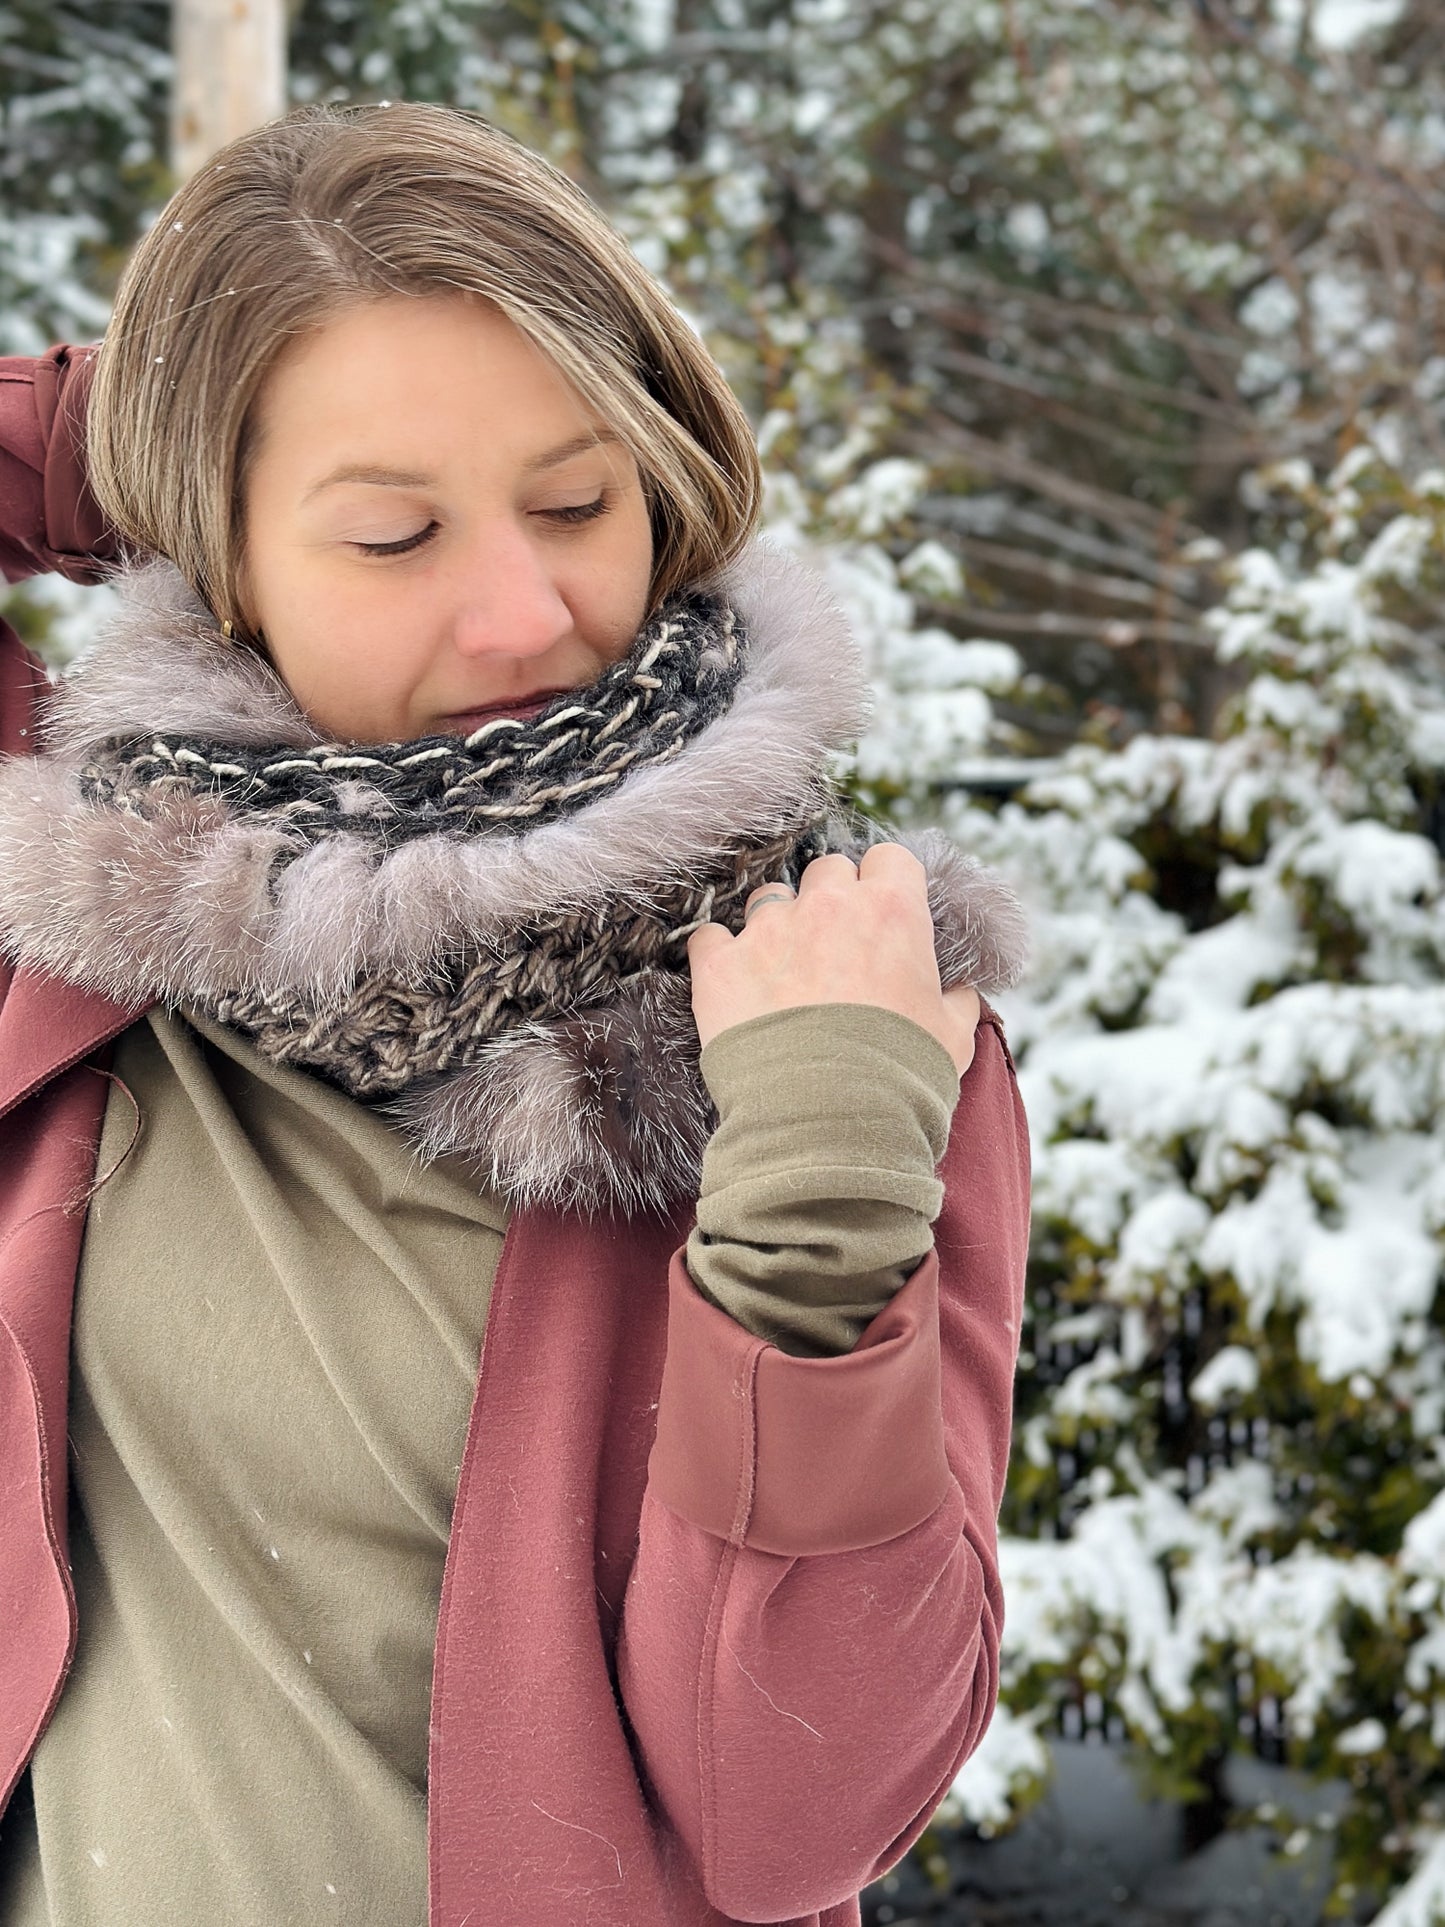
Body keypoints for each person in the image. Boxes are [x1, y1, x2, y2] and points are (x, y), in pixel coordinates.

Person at [0, 101, 1031, 1927]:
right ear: (215, 562)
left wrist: (811, 1220)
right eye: (391, 531)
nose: (518, 613)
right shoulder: (84, 909)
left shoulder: (832, 1000)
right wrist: (170, 387)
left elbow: (797, 1821)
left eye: (575, 501)